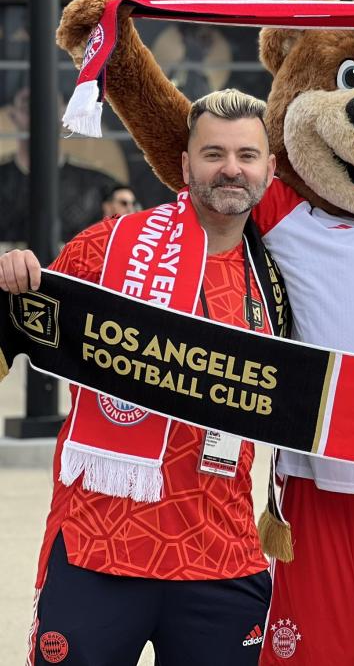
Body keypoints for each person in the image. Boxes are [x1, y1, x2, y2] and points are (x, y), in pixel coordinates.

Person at [0, 90, 289, 666]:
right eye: (213, 154)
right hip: (97, 549)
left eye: (246, 155)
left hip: (222, 556)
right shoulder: (107, 248)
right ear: (185, 165)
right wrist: (9, 285)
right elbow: (15, 335)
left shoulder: (282, 276)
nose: (231, 169)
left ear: (269, 168)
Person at [0, 85, 116, 243]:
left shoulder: (99, 186)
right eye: (27, 107)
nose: (39, 115)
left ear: (64, 113)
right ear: (13, 115)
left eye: (48, 106)